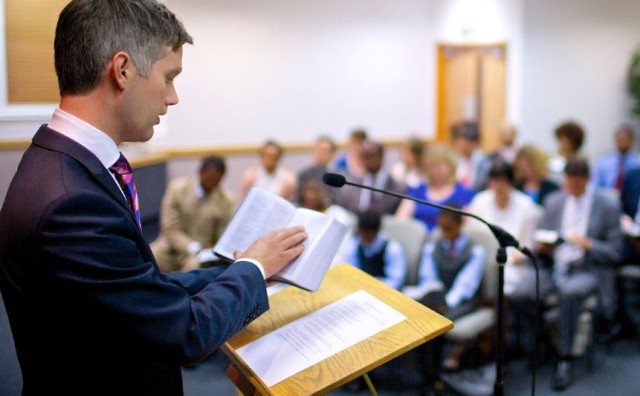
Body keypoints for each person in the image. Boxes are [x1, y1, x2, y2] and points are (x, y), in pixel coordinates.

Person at [0, 2, 308, 395]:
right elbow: (184, 333)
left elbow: (141, 288)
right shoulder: (70, 203)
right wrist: (252, 267)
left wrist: (246, 265)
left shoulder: (60, 162)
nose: (173, 97)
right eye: (169, 77)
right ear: (123, 69)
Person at [535, 157, 622, 391]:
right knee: (524, 289)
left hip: (587, 267)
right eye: (568, 182)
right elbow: (541, 236)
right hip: (554, 264)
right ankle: (536, 345)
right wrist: (544, 246)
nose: (572, 187)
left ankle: (565, 358)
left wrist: (589, 244)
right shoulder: (554, 202)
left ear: (586, 180)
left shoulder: (607, 206)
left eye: (577, 183)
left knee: (569, 292)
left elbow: (616, 252)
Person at [403, 207, 485, 382]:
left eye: (449, 229)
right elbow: (428, 275)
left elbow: (466, 284)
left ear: (459, 224)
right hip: (438, 297)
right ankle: (423, 371)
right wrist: (432, 294)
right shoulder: (433, 246)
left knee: (435, 322)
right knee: (420, 316)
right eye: (442, 229)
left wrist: (447, 302)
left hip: (461, 301)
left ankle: (435, 374)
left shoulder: (475, 251)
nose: (445, 233)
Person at [151, 156, 235, 273]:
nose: (213, 184)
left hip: (202, 253)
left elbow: (223, 237)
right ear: (201, 172)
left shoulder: (225, 200)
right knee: (150, 256)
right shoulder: (177, 189)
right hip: (172, 247)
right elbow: (170, 229)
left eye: (217, 181)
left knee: (194, 267)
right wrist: (193, 246)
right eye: (210, 178)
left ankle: (181, 290)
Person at [396, 144, 475, 232]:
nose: (435, 172)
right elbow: (401, 219)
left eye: (439, 167)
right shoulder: (417, 191)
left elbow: (469, 226)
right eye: (430, 167)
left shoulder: (463, 193)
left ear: (451, 166)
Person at [334, 140, 407, 215]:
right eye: (363, 157)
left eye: (370, 156)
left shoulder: (399, 188)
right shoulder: (352, 186)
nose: (366, 161)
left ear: (381, 156)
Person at [338, 211, 407, 290]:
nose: (363, 238)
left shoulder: (392, 249)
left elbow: (396, 282)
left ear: (376, 232)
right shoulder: (355, 244)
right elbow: (350, 269)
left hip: (382, 291)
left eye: (367, 234)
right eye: (361, 234)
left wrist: (372, 285)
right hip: (360, 288)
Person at [593, 124, 640, 192]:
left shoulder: (637, 163)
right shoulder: (603, 162)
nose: (622, 143)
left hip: (631, 199)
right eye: (620, 140)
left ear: (632, 141)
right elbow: (596, 185)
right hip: (607, 198)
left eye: (625, 140)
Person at [296, 135, 337, 204]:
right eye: (317, 150)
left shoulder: (340, 176)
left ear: (332, 153)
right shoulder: (304, 175)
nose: (320, 154)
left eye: (324, 151)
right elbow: (299, 200)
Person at [451, 121, 491, 192]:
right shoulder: (454, 159)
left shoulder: (484, 162)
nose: (463, 148)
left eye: (465, 145)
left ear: (474, 144)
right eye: (460, 145)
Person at [547, 121, 585, 185]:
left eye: (565, 139)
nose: (562, 142)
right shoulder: (552, 157)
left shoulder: (581, 159)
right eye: (560, 138)